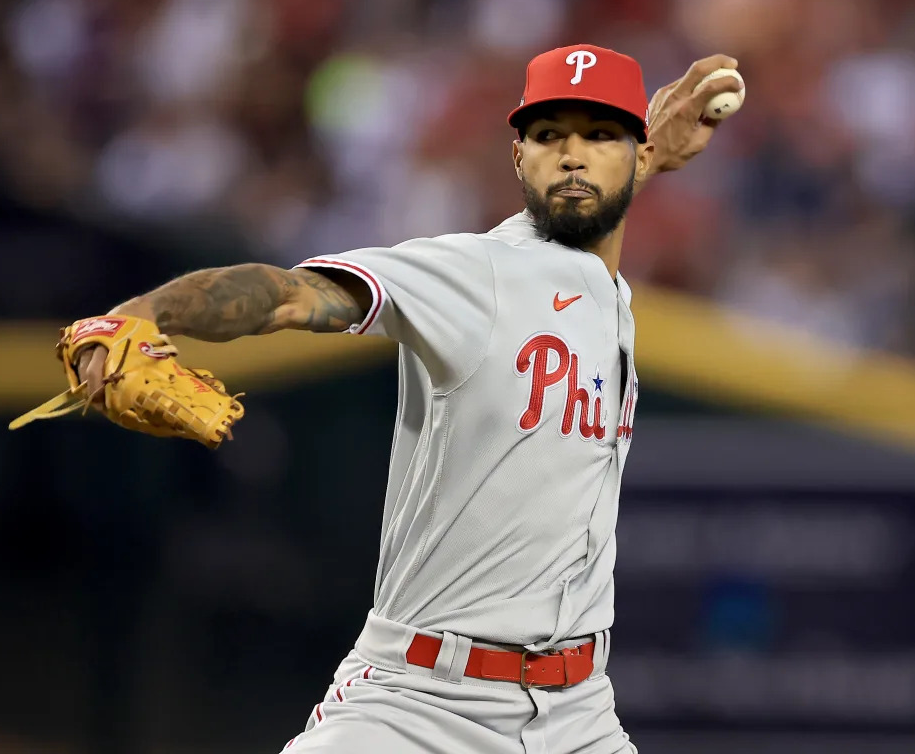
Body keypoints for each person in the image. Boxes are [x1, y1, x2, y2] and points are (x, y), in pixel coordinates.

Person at [75, 44, 741, 753]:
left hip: (579, 714)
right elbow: (292, 295)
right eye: (550, 136)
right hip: (422, 703)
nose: (573, 157)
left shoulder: (609, 289)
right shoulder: (476, 273)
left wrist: (650, 155)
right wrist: (145, 311)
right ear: (518, 156)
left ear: (637, 153)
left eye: (601, 135)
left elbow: (598, 205)